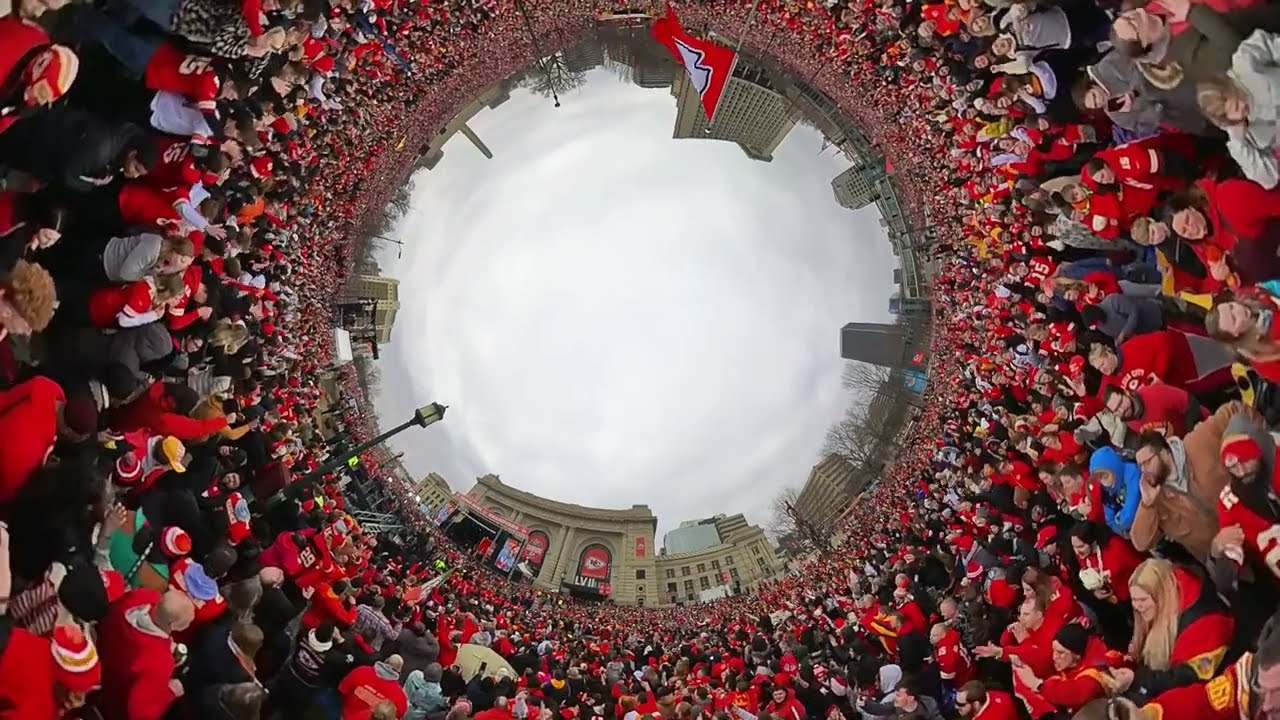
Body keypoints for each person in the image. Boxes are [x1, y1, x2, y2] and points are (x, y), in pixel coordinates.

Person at [1121, 559, 1235, 704]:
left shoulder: (1205, 624)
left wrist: (1139, 680)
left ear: (1162, 595)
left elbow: (1187, 678)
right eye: (1134, 600)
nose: (1137, 606)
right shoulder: (1163, 608)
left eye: (1143, 600)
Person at [1132, 416, 1235, 562]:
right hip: (1225, 558)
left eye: (1147, 462)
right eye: (1140, 466)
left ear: (1164, 453)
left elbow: (1232, 412)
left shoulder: (1196, 442)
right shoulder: (1156, 500)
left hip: (1252, 521)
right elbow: (1140, 543)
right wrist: (1147, 505)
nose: (1144, 470)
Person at [95, 588, 194, 720]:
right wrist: (171, 690)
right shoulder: (160, 663)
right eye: (186, 623)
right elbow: (140, 713)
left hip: (100, 649)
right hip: (111, 695)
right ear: (174, 625)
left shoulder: (143, 596)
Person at [338, 653, 409, 720]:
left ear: (386, 660)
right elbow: (398, 715)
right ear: (399, 671)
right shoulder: (400, 697)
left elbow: (343, 689)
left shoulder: (361, 671)